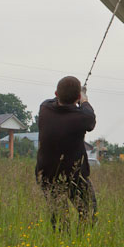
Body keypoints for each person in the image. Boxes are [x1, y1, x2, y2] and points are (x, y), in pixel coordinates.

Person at [36, 76, 97, 231]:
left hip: (47, 175)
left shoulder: (44, 109)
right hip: (75, 176)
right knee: (88, 213)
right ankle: (81, 244)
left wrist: (75, 96)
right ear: (77, 97)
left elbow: (57, 100)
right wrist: (83, 98)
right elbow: (89, 116)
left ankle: (61, 245)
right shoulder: (83, 117)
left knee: (59, 220)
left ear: (56, 93)